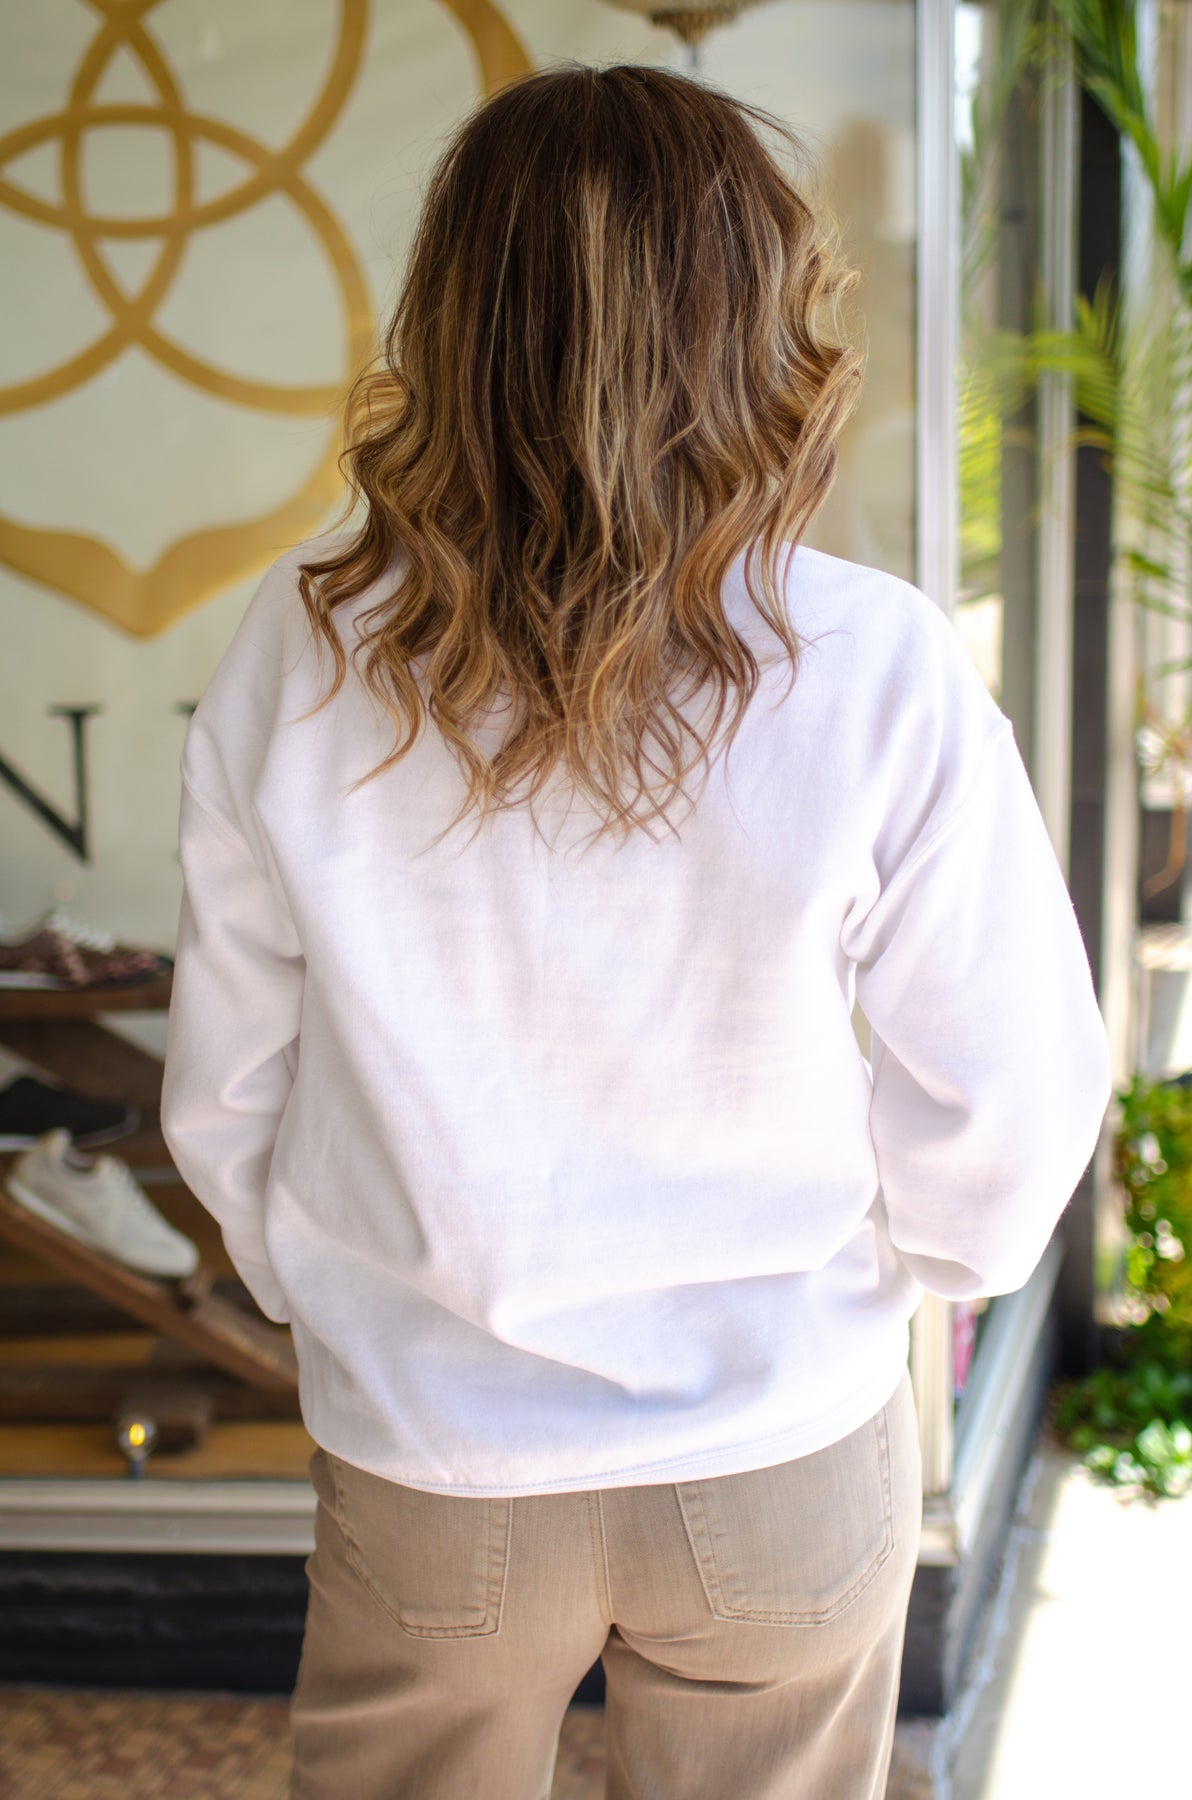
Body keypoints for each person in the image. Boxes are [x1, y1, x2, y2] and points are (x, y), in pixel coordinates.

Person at [161, 64, 1111, 1800]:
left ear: (456, 321)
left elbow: (227, 1089)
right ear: (757, 327)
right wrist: (910, 1273)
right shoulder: (875, 663)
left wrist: (342, 1300)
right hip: (780, 1444)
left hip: (436, 1456)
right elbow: (1016, 1093)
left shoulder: (303, 650)